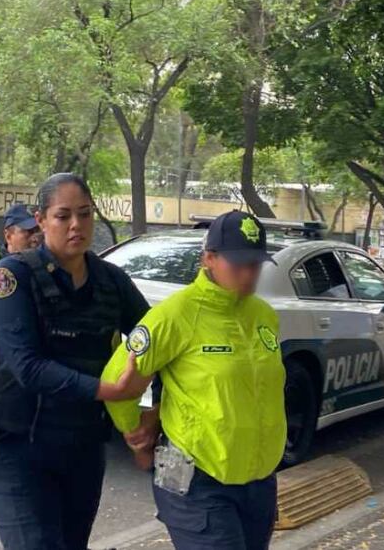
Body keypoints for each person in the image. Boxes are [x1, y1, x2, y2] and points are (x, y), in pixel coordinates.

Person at [0, 172, 151, 550]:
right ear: (40, 220)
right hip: (16, 447)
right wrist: (110, 390)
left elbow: (156, 340)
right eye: (63, 215)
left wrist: (154, 415)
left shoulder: (111, 281)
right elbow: (27, 366)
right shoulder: (13, 277)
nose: (77, 225)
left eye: (85, 214)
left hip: (82, 447)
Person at [102, 210, 287, 550]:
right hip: (198, 481)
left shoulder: (264, 316)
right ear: (209, 259)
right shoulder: (175, 315)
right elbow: (117, 380)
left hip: (259, 482)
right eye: (238, 264)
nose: (248, 274)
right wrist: (136, 435)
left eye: (256, 264)